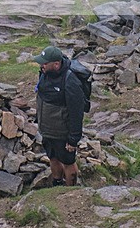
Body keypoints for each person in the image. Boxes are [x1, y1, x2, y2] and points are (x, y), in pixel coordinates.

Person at [34, 46, 85, 186]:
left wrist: (73, 139)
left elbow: (76, 112)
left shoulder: (70, 81)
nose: (41, 65)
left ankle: (70, 191)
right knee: (53, 157)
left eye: (45, 63)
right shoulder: (44, 73)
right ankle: (57, 184)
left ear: (56, 64)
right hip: (47, 130)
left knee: (68, 162)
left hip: (63, 133)